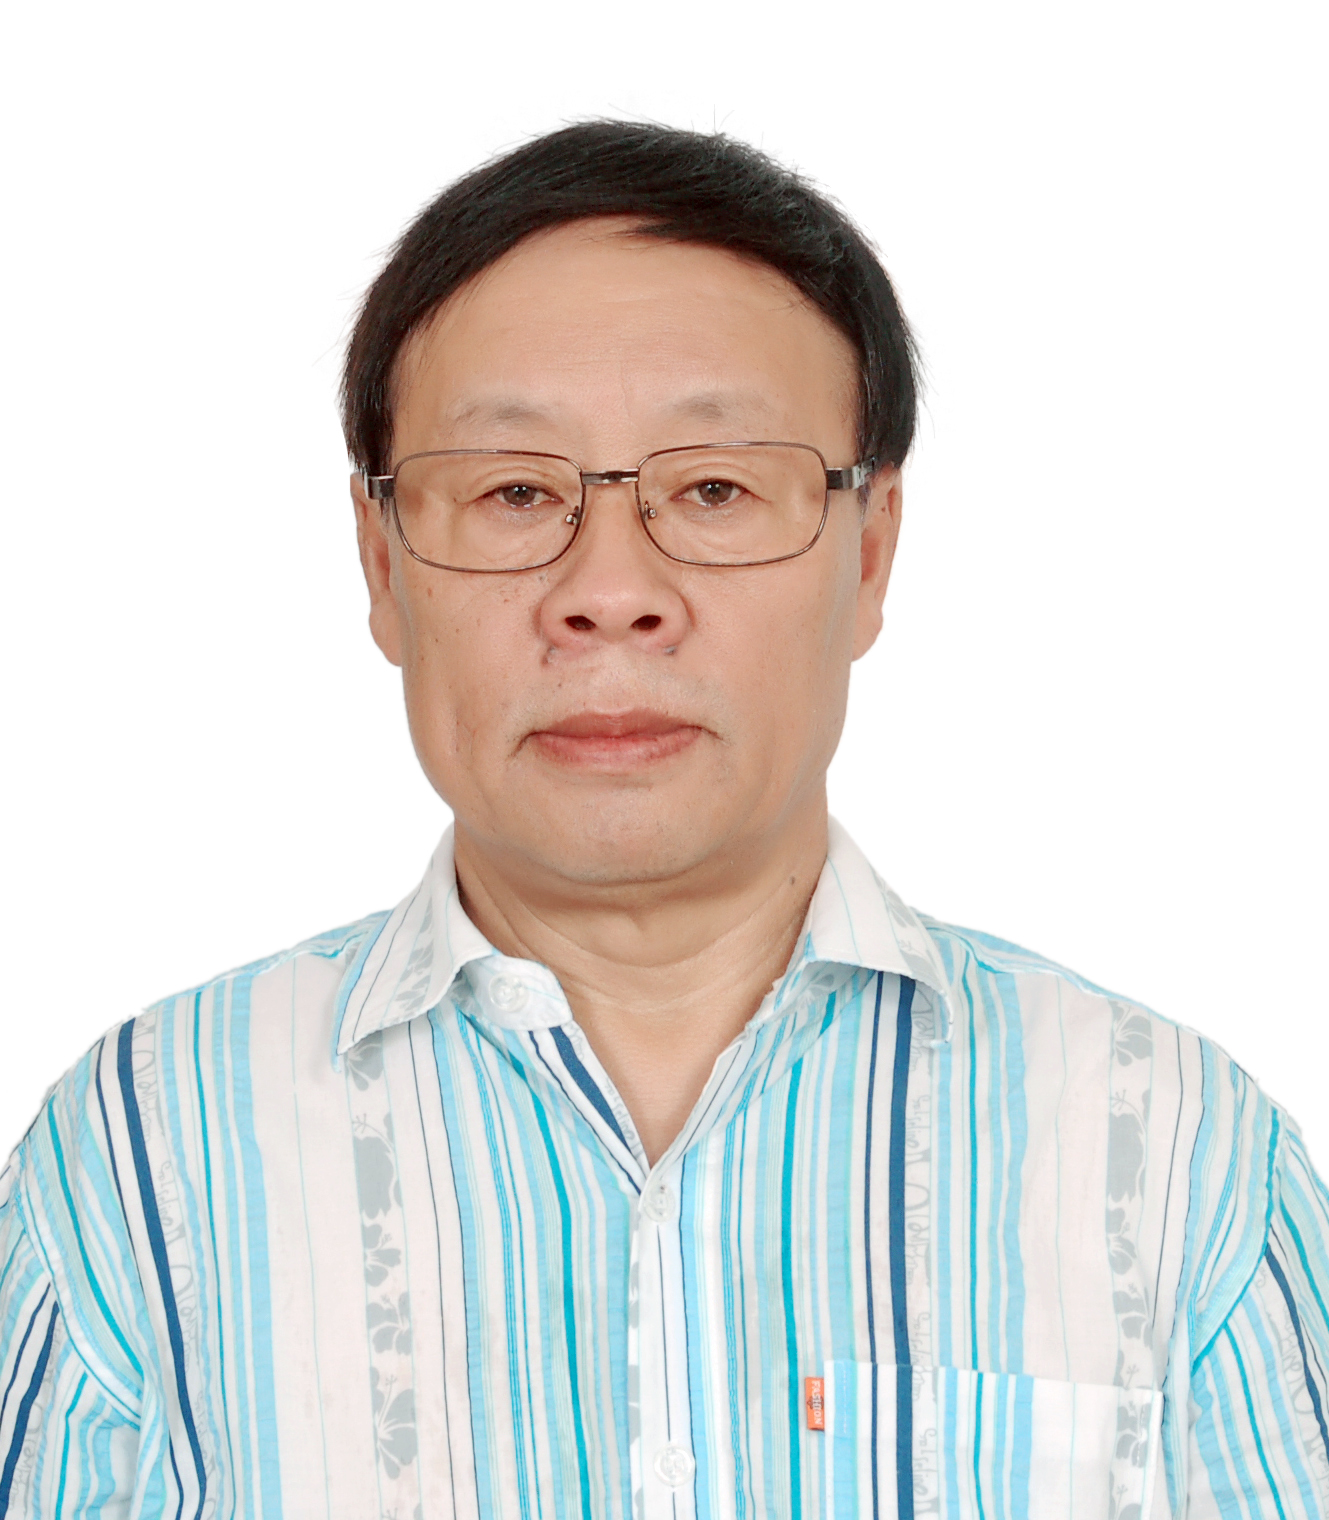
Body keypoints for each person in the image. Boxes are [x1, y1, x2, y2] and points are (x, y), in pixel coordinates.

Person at [0, 121, 1324, 1520]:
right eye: (515, 492)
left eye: (714, 489)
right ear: (380, 565)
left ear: (870, 554)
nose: (611, 593)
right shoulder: (143, 1163)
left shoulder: (1168, 1155)